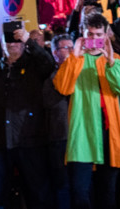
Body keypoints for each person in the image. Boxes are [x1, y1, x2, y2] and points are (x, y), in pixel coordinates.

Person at [53, 12, 120, 208]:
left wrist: (111, 62)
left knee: (108, 191)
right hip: (82, 134)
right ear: (82, 33)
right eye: (90, 34)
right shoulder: (74, 60)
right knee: (80, 192)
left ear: (106, 34)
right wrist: (75, 56)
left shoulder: (116, 60)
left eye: (99, 35)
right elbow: (62, 87)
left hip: (109, 134)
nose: (94, 39)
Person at [0, 26, 56, 209]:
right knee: (0, 194)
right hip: (1, 140)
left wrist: (29, 41)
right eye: (9, 40)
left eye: (17, 40)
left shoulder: (34, 66)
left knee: (36, 193)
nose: (13, 44)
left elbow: (48, 63)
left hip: (30, 140)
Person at [44, 34, 74, 209]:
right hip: (60, 138)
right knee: (62, 185)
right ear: (55, 53)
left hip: (80, 137)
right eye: (66, 48)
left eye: (72, 47)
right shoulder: (51, 78)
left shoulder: (82, 73)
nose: (71, 51)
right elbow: (49, 103)